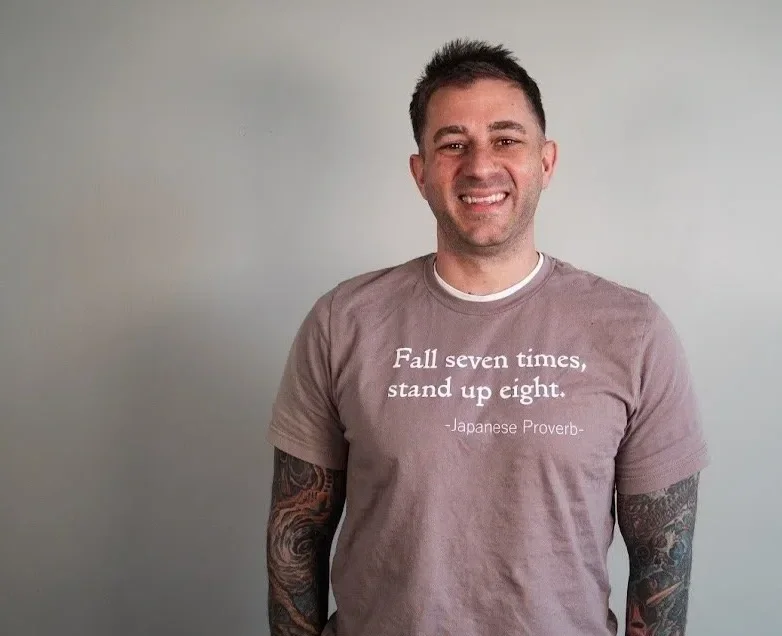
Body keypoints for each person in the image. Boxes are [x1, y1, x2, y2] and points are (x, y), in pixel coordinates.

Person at [265, 38, 709, 636]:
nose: (480, 166)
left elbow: (663, 558)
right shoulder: (342, 322)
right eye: (453, 144)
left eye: (506, 139)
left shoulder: (633, 331)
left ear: (545, 162)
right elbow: (297, 535)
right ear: (421, 173)